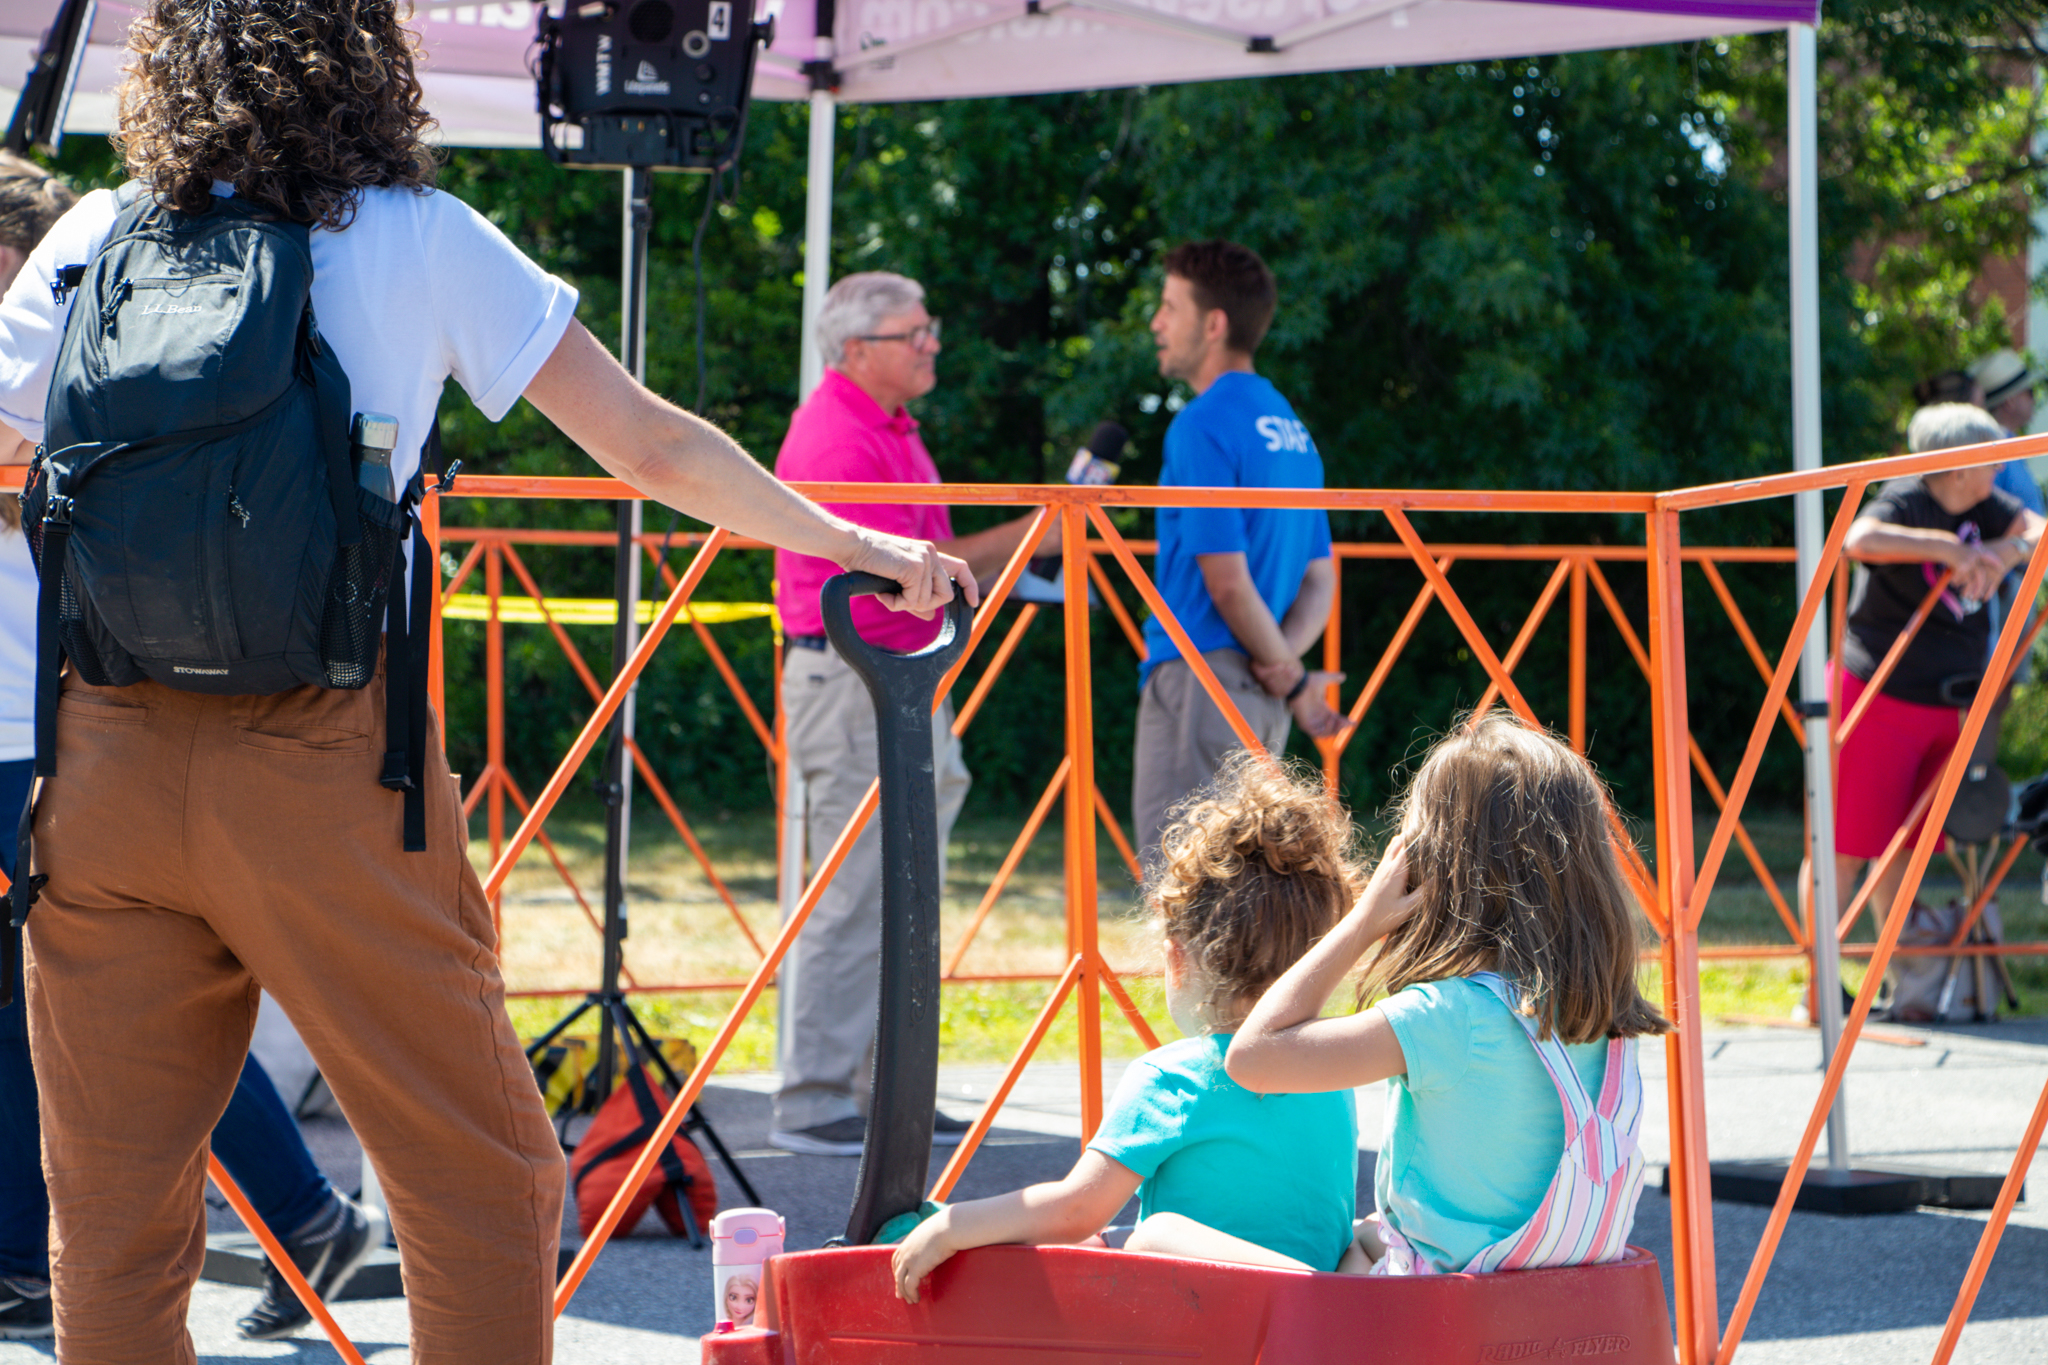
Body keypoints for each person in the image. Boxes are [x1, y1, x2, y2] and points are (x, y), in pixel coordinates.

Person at [0, 5, 969, 1360]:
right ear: (360, 58)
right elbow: (649, 447)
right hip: (321, 773)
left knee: (110, 1219)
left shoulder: (94, 233)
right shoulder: (413, 235)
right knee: (479, 1173)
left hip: (99, 767)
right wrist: (858, 541)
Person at [0, 151, 383, 1345]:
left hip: (50, 714)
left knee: (133, 1011)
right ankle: (31, 1250)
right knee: (63, 1010)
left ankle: (297, 1214)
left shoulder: (90, 364)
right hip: (42, 713)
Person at [890, 754, 1362, 1302]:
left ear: (1178, 959)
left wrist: (953, 1225)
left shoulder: (1172, 1078)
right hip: (1326, 1326)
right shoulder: (1330, 1071)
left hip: (1214, 1330)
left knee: (1148, 1236)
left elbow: (1075, 1209)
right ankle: (1321, 1292)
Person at [1219, 713, 1669, 1276]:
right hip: (1564, 1314)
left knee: (1195, 1238)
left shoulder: (1449, 1018)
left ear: (1432, 867)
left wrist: (1363, 922)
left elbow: (1253, 1058)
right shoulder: (1604, 1020)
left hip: (1447, 1323)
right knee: (1366, 1235)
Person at [769, 271, 1051, 1157]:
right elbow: (909, 569)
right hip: (857, 678)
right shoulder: (840, 437)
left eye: (930, 329)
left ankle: (882, 1089)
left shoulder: (886, 426)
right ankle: (815, 1095)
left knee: (903, 884)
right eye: (914, 333)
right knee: (856, 889)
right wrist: (1038, 525)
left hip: (891, 674)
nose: (933, 344)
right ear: (857, 351)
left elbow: (924, 568)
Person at [1806, 404, 2043, 981]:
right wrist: (1950, 550)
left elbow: (2039, 528)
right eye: (1989, 459)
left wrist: (2007, 554)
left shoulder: (1990, 505)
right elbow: (1860, 538)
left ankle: (1901, 975)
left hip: (1948, 704)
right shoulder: (1907, 495)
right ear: (1959, 465)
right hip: (1876, 695)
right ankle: (1820, 983)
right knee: (1843, 843)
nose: (1999, 471)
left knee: (1909, 845)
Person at [1131, 240, 1349, 867]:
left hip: (1201, 677)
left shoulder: (1201, 425)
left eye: (1170, 306)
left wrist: (1287, 671)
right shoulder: (1291, 429)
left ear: (1214, 323)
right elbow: (1318, 581)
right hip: (1261, 686)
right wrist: (1285, 668)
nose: (1157, 323)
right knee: (1245, 888)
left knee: (1182, 886)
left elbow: (1225, 583)